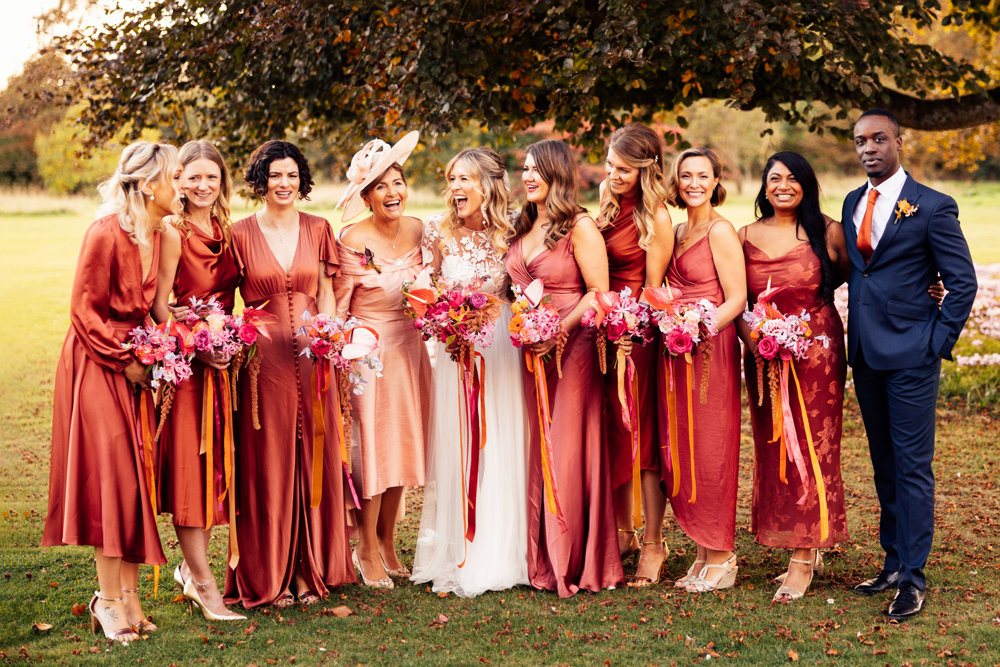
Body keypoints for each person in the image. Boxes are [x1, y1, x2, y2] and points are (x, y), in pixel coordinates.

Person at [42, 141, 179, 643]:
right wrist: (126, 361)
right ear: (150, 186)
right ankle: (108, 601)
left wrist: (174, 344)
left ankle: (129, 596)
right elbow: (83, 310)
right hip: (97, 361)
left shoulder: (161, 235)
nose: (181, 187)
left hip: (135, 361)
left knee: (136, 477)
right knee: (113, 478)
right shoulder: (104, 232)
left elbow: (154, 309)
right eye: (174, 177)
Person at [843, 110, 976, 620]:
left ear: (899, 142)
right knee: (884, 464)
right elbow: (862, 272)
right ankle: (893, 563)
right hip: (866, 355)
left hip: (913, 356)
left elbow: (962, 282)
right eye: (861, 141)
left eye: (879, 138)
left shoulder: (933, 206)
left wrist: (935, 342)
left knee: (913, 467)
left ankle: (914, 579)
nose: (869, 148)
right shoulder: (853, 202)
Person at [224, 140, 354, 609]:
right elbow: (223, 301)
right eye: (275, 175)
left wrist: (330, 334)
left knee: (313, 455)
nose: (284, 183)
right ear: (261, 180)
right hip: (262, 365)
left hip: (313, 358)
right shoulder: (239, 234)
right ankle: (272, 573)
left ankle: (308, 570)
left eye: (292, 175)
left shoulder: (318, 228)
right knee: (271, 462)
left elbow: (326, 290)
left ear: (302, 181)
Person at [504, 139, 623, 597]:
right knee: (539, 446)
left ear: (557, 173)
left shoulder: (580, 226)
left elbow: (598, 292)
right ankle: (539, 553)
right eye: (525, 168)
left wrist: (557, 331)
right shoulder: (523, 225)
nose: (528, 176)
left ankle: (572, 559)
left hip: (572, 348)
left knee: (568, 449)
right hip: (531, 350)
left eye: (537, 169)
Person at [410, 147, 530, 597]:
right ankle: (460, 550)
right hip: (456, 347)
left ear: (489, 184)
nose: (456, 187)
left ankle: (505, 550)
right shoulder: (438, 229)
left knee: (500, 436)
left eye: (465, 178)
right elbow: (426, 286)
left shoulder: (516, 226)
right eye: (452, 179)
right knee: (460, 442)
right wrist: (441, 316)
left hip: (501, 344)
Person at [736, 151, 850, 602]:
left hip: (818, 352)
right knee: (776, 444)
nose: (783, 186)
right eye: (774, 178)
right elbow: (737, 298)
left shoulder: (829, 231)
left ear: (807, 184)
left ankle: (804, 556)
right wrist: (756, 340)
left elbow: (846, 279)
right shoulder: (744, 236)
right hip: (762, 353)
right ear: (764, 187)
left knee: (815, 445)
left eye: (792, 178)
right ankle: (796, 536)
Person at [152, 140, 245, 621]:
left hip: (223, 366)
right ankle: (205, 586)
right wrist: (196, 341)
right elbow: (159, 305)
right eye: (193, 177)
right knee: (193, 473)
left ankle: (191, 572)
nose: (203, 185)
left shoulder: (227, 229)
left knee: (215, 473)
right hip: (188, 370)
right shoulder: (173, 230)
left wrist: (228, 339)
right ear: (179, 181)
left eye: (212, 177)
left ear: (222, 181)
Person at [334, 131, 431, 589]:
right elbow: (338, 306)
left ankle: (388, 541)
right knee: (371, 449)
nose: (392, 192)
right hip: (367, 353)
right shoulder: (351, 238)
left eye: (398, 182)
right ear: (366, 196)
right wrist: (336, 360)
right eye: (380, 186)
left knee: (403, 446)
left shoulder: (420, 230)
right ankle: (365, 547)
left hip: (411, 349)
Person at [660, 147, 746, 593]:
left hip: (711, 349)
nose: (694, 183)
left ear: (716, 181)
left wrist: (698, 327)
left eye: (702, 176)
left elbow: (737, 299)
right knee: (685, 446)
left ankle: (723, 555)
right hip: (676, 350)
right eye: (686, 175)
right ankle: (701, 550)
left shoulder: (720, 230)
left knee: (711, 446)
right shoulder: (675, 232)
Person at [596, 123, 674, 586]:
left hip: (638, 337)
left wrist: (631, 329)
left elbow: (653, 287)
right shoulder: (606, 197)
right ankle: (623, 531)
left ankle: (654, 542)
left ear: (646, 170)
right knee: (613, 432)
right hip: (603, 330)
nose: (614, 174)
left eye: (624, 169)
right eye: (610, 165)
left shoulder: (657, 215)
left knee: (641, 435)